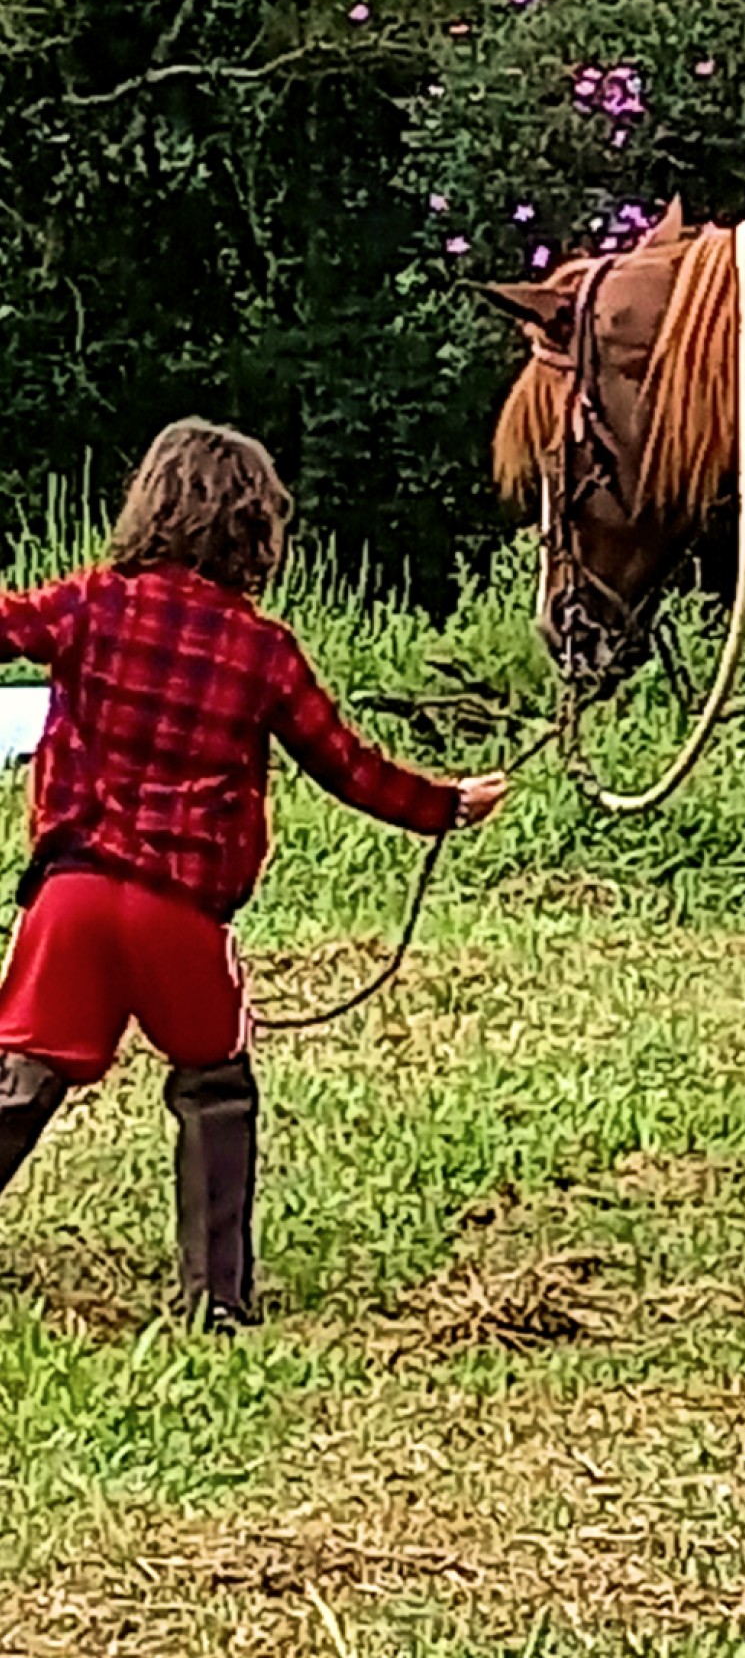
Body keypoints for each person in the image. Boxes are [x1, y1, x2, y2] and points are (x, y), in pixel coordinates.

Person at [0, 418, 509, 1328]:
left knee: (23, 1078)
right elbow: (348, 765)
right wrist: (446, 804)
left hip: (71, 897)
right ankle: (217, 1301)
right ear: (255, 532)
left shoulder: (89, 604)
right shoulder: (262, 650)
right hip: (180, 916)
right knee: (216, 1086)